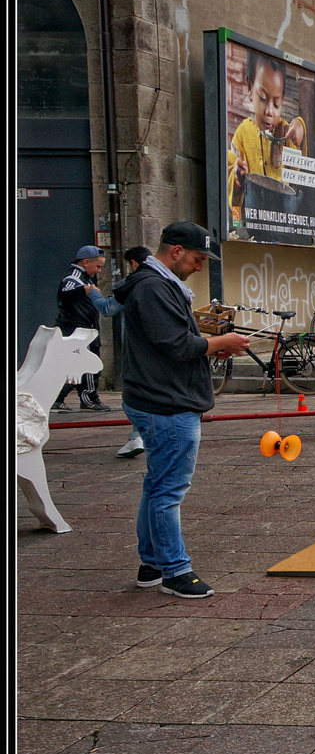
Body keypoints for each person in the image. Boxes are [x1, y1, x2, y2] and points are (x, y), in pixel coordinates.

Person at [113, 222, 250, 598]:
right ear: (175, 251)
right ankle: (175, 571)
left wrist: (209, 346)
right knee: (168, 490)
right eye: (197, 258)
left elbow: (170, 343)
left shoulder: (152, 284)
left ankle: (152, 565)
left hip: (158, 397)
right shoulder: (155, 287)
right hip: (166, 403)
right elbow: (175, 345)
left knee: (157, 484)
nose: (199, 266)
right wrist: (217, 341)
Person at [226, 49, 304, 205]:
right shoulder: (243, 133)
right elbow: (230, 169)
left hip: (281, 214)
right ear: (249, 88)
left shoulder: (285, 131)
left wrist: (300, 128)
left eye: (276, 104)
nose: (269, 111)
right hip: (252, 215)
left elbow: (298, 169)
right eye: (262, 98)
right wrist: (236, 175)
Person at [53, 245, 112, 411]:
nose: (99, 270)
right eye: (98, 266)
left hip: (81, 329)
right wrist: (85, 290)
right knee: (86, 366)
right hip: (77, 330)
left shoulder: (84, 278)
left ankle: (59, 399)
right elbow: (66, 289)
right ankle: (89, 399)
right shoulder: (75, 278)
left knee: (76, 367)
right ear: (86, 262)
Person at [114, 247, 152, 457]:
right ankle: (139, 436)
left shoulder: (132, 283)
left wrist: (92, 294)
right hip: (152, 349)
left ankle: (138, 437)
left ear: (134, 263)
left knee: (134, 392)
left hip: (136, 346)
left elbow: (108, 308)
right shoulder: (165, 281)